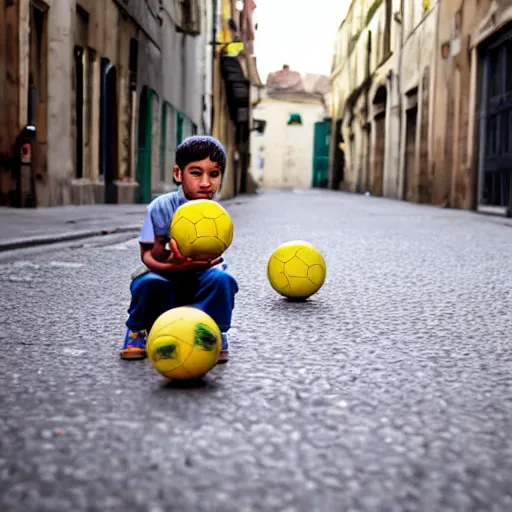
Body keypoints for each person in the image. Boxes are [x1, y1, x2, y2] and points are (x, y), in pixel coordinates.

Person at [120, 135, 238, 363]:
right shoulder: (160, 208)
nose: (206, 182)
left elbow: (216, 256)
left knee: (223, 280)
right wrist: (172, 265)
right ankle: (137, 330)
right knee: (146, 283)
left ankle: (212, 330)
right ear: (178, 174)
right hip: (165, 274)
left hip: (200, 277)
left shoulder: (215, 213)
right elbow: (146, 255)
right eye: (196, 173)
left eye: (214, 174)